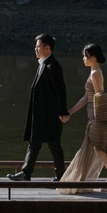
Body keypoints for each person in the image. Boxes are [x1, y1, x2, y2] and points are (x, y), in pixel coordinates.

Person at [57, 43, 107, 194]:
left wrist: (97, 118)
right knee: (99, 149)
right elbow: (86, 97)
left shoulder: (95, 73)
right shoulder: (93, 72)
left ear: (93, 57)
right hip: (94, 118)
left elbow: (99, 95)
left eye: (86, 56)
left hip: (97, 119)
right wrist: (70, 112)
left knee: (99, 148)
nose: (83, 59)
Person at [8, 34, 69, 181]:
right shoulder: (43, 63)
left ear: (47, 48)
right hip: (40, 114)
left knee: (54, 144)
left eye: (38, 46)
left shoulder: (53, 65)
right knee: (34, 143)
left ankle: (60, 175)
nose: (35, 49)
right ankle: (26, 173)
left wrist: (62, 112)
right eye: (35, 46)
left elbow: (60, 90)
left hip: (50, 115)